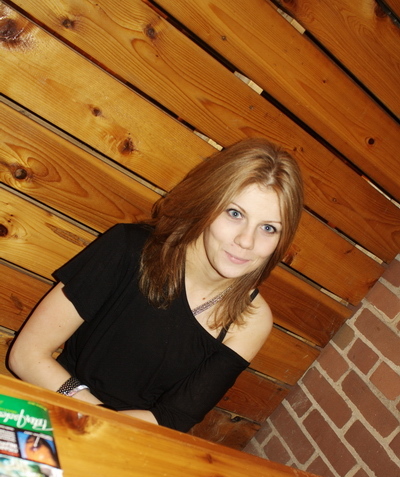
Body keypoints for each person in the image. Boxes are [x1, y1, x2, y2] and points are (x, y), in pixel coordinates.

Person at [8, 138, 303, 432]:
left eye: (269, 228)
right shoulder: (128, 248)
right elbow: (28, 354)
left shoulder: (252, 319)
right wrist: (97, 420)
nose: (246, 241)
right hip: (56, 402)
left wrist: (105, 430)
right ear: (208, 204)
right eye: (235, 213)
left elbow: (175, 418)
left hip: (135, 436)